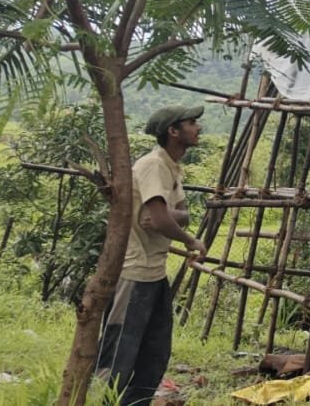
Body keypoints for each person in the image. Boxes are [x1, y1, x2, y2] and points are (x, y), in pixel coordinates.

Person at [96, 104, 207, 406]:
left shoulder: (171, 167)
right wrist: (191, 241)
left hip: (154, 273)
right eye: (191, 123)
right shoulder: (153, 165)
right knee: (119, 353)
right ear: (173, 131)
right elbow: (156, 220)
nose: (198, 128)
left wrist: (171, 217)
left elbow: (179, 214)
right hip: (135, 273)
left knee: (154, 355)